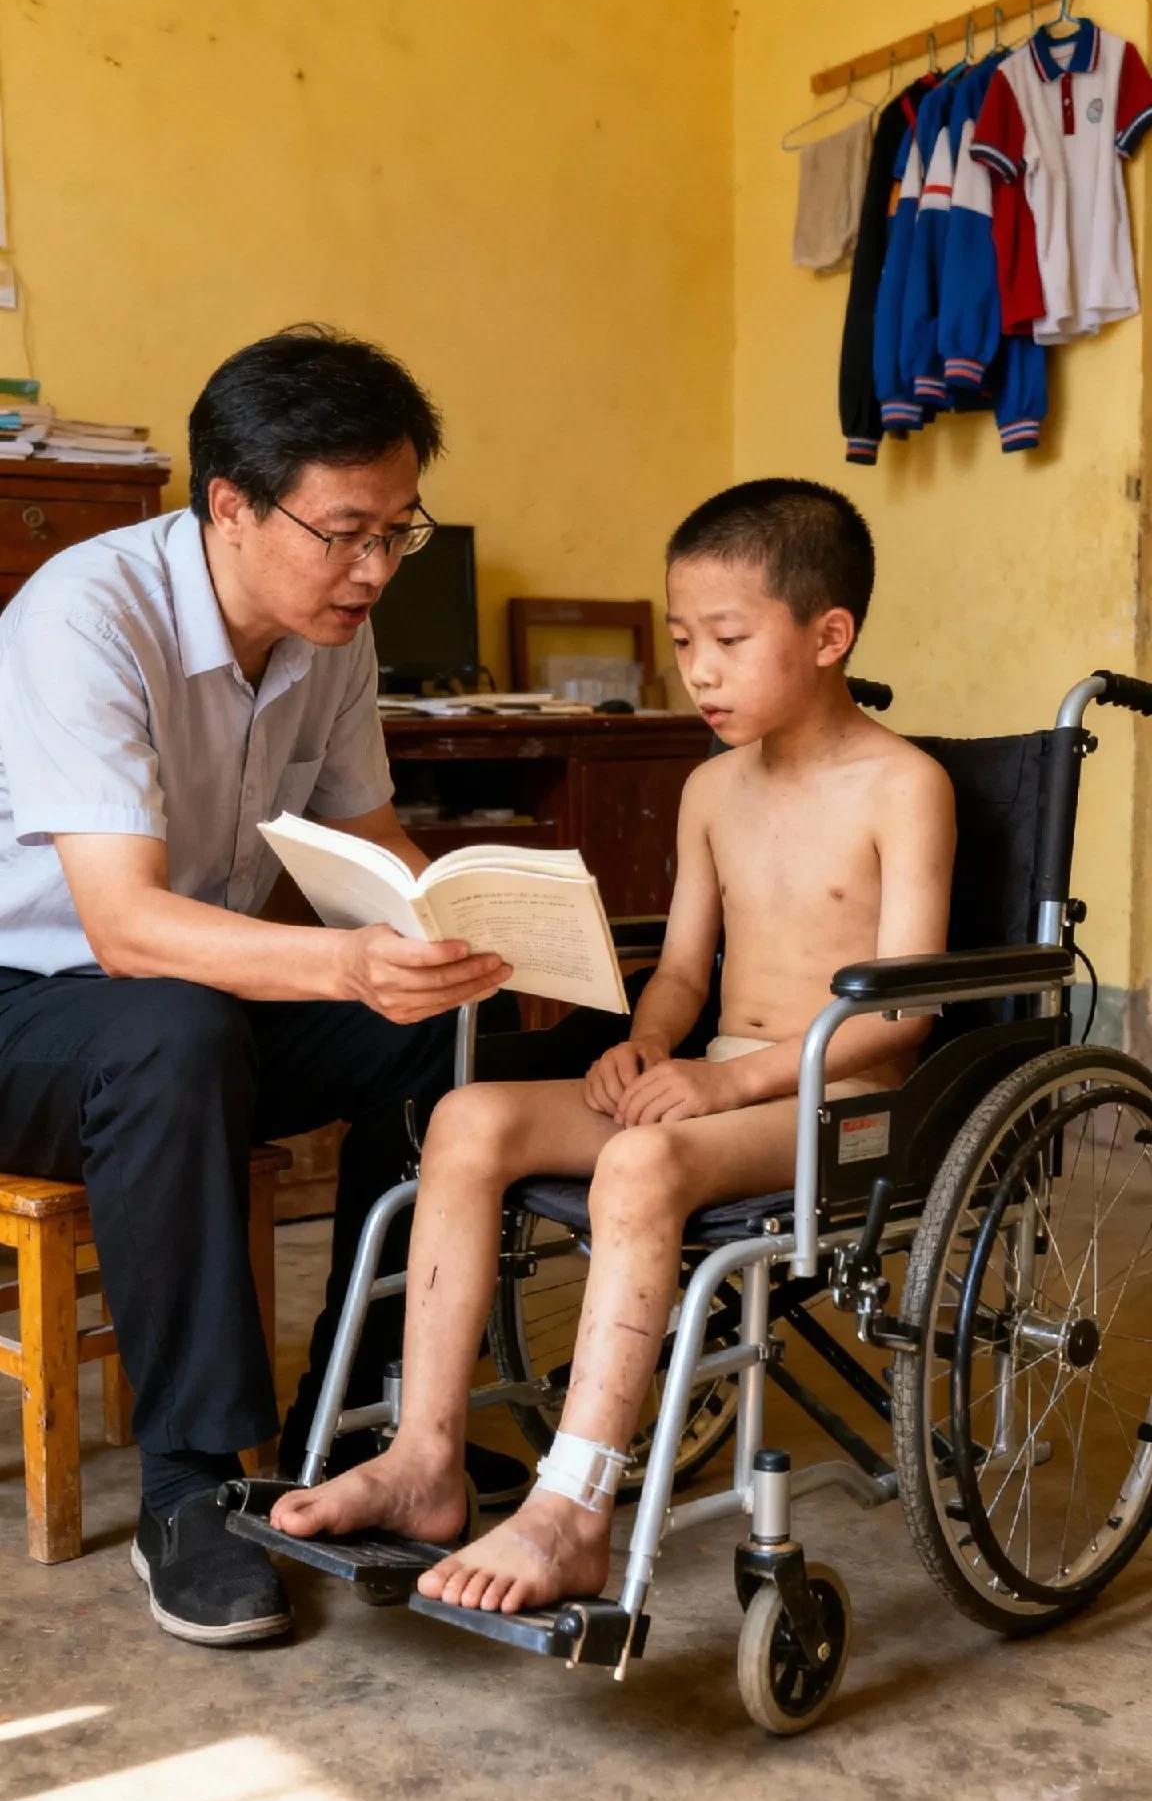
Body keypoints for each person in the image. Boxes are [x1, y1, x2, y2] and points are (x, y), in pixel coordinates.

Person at [270, 478, 958, 1612]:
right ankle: (422, 1458)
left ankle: (574, 1506)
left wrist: (725, 1076)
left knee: (641, 1162)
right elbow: (685, 970)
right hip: (710, 1077)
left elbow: (905, 1011)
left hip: (842, 1092)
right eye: (686, 639)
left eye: (730, 639)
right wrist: (641, 1043)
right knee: (467, 1117)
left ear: (830, 635)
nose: (700, 669)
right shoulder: (708, 789)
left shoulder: (904, 786)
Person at [0, 325, 527, 1645]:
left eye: (398, 531)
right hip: (30, 1005)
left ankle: (372, 1426)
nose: (373, 570)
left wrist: (461, 925)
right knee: (170, 1034)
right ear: (230, 502)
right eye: (345, 531)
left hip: (190, 1004)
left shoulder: (324, 631)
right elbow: (123, 927)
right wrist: (349, 960)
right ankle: (193, 1482)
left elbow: (369, 833)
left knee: (450, 1030)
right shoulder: (87, 613)